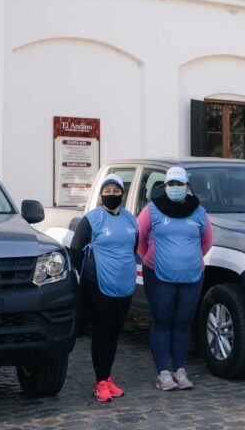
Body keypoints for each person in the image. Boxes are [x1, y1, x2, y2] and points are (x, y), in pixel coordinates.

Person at [137, 166, 212, 391]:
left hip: (192, 277)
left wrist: (189, 261)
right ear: (165, 187)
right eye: (171, 184)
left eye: (180, 184)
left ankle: (180, 370)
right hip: (159, 276)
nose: (175, 188)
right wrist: (152, 259)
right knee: (162, 322)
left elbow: (206, 242)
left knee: (182, 324)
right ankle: (163, 373)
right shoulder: (152, 210)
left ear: (187, 187)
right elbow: (139, 239)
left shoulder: (199, 211)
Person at [69, 174, 138, 402]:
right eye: (107, 191)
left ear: (122, 194)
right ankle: (100, 381)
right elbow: (76, 250)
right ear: (100, 194)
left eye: (115, 191)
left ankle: (107, 378)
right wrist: (90, 273)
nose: (111, 194)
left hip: (124, 286)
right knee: (102, 332)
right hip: (99, 286)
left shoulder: (130, 220)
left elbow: (133, 247)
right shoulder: (92, 219)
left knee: (115, 333)